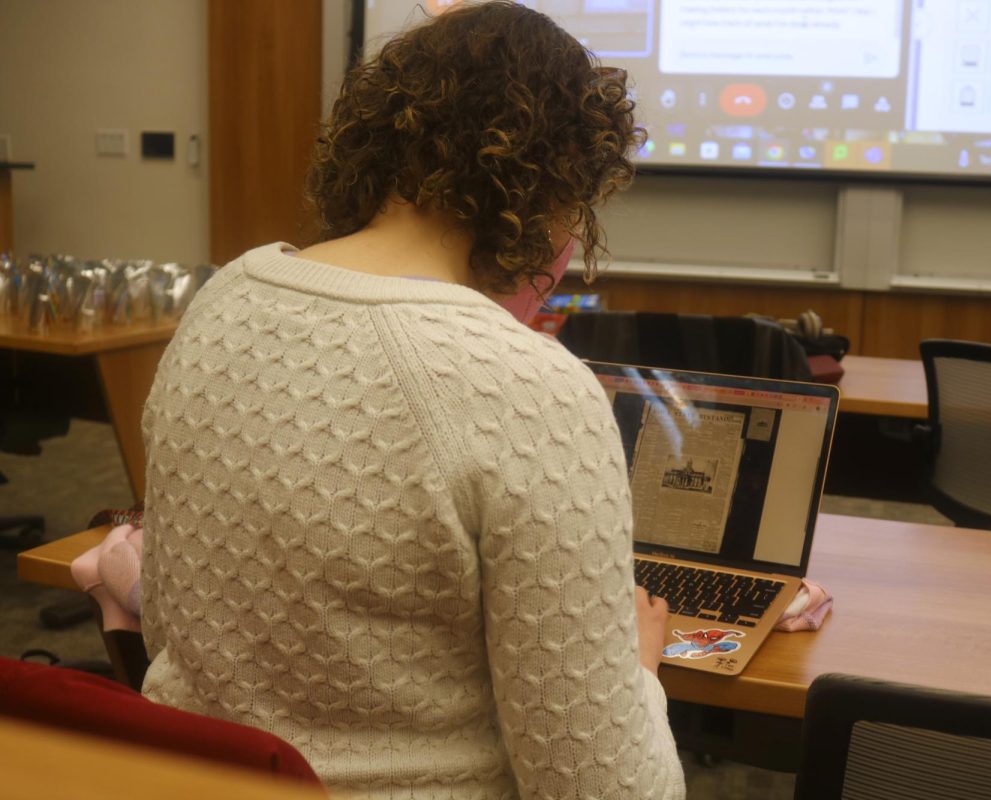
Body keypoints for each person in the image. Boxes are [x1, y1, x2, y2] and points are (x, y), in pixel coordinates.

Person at [138, 2, 687, 798]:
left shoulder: (223, 300)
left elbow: (171, 628)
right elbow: (601, 787)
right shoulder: (528, 384)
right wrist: (637, 674)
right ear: (559, 186)